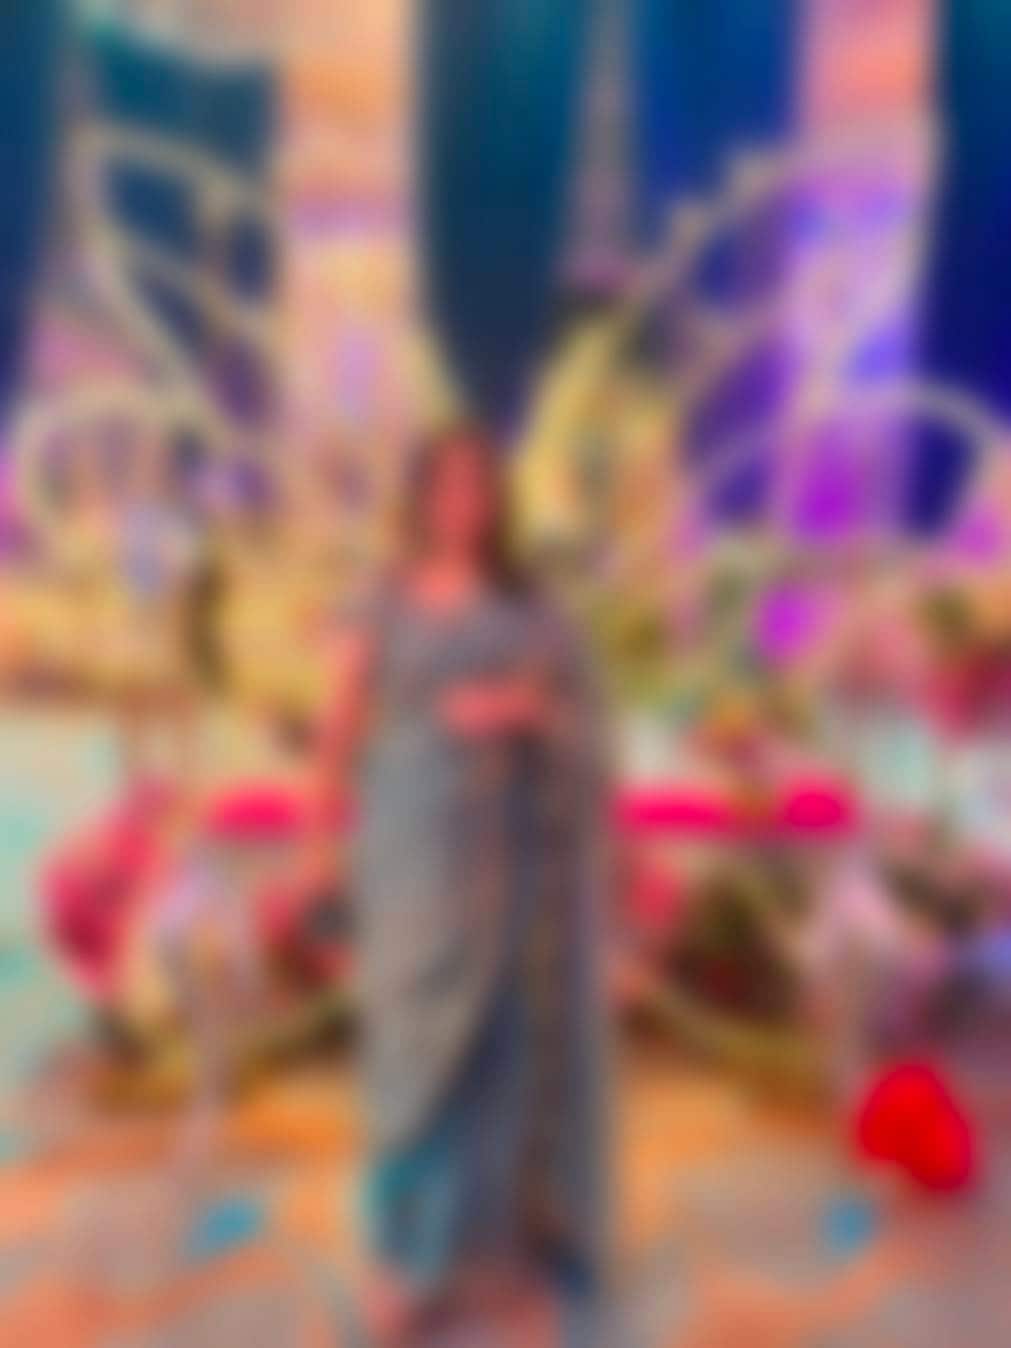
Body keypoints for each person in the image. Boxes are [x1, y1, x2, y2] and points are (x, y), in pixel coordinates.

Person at [304, 424, 612, 1344]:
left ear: (497, 500)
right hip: (407, 849)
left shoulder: (529, 606)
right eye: (445, 486)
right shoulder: (382, 598)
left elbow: (576, 712)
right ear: (421, 498)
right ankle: (406, 1262)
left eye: (479, 487)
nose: (463, 504)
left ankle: (490, 1264)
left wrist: (516, 707)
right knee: (407, 1052)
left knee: (498, 1050)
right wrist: (316, 846)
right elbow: (339, 724)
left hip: (501, 854)